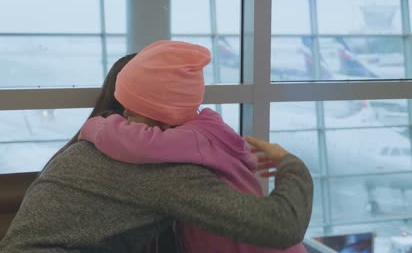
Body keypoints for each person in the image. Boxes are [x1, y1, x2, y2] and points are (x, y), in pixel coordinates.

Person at [0, 50, 313, 253]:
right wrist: (291, 165)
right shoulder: (159, 167)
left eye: (132, 109)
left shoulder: (90, 144)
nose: (126, 118)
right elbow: (281, 227)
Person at [78, 40, 306, 253]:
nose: (123, 116)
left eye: (131, 112)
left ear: (165, 116)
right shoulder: (206, 130)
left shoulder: (190, 138)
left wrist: (95, 124)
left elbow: (132, 143)